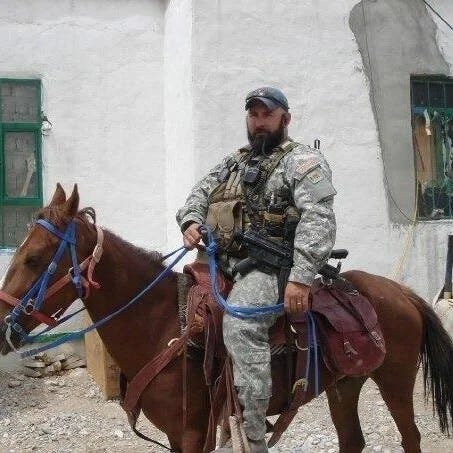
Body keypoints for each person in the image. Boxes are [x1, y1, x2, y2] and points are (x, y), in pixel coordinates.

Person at [176, 87, 336, 452]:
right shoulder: (234, 161)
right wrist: (191, 221)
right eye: (254, 114)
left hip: (274, 266)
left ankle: (252, 433)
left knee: (241, 322)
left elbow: (319, 219)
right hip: (226, 261)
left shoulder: (303, 161)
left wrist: (300, 278)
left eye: (267, 114)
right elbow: (198, 194)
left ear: (285, 119)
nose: (259, 122)